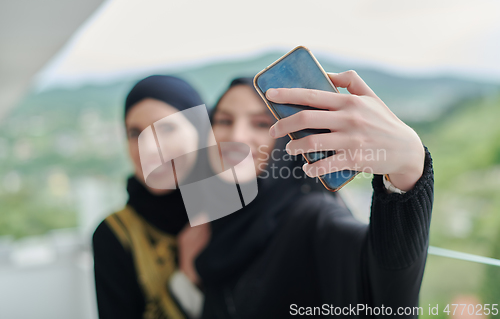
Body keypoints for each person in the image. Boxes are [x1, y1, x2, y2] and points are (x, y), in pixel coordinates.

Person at [194, 72, 434, 318]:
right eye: (224, 121)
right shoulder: (218, 215)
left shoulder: (312, 216)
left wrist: (409, 168)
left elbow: (389, 292)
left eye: (261, 124)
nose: (236, 137)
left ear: (293, 135)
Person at [92, 75, 210, 319]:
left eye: (166, 128)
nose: (149, 148)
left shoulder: (237, 210)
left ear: (201, 130)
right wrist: (187, 275)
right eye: (135, 133)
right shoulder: (116, 235)